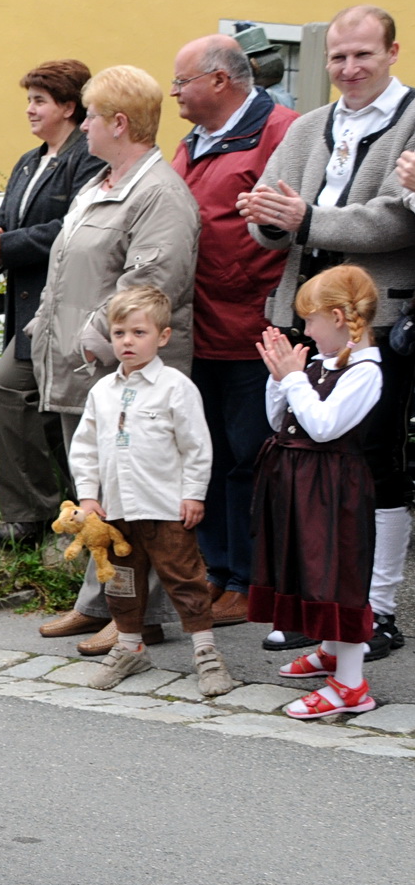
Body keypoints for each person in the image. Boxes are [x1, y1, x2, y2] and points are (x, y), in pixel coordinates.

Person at [242, 5, 415, 663]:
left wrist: (306, 217)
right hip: (302, 311)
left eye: (362, 55)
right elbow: (271, 211)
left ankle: (377, 609)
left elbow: (397, 221)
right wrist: (265, 217)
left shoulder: (409, 118)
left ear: (392, 52)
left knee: (372, 464)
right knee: (296, 456)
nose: (347, 69)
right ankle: (310, 603)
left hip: (375, 321)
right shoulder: (312, 123)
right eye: (337, 57)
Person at [30, 65, 199, 655]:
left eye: (92, 117)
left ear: (118, 123)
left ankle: (140, 618)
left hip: (129, 370)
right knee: (99, 492)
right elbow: (68, 268)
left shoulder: (160, 194)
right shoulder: (99, 183)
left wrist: (95, 335)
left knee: (137, 502)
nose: (85, 129)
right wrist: (46, 328)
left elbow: (152, 282)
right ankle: (98, 603)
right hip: (90, 369)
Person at [169, 35, 298, 630]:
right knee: (211, 455)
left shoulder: (281, 131)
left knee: (250, 456)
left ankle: (252, 580)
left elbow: (290, 223)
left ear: (220, 81)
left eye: (182, 81)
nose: (175, 92)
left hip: (252, 324)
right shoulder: (191, 143)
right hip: (200, 327)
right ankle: (219, 572)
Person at [66, 286, 235, 696]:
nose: (127, 341)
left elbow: (196, 445)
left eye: (139, 333)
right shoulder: (102, 392)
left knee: (184, 578)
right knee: (121, 583)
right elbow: (85, 446)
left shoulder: (175, 387)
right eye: (120, 332)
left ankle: (206, 651)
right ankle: (129, 646)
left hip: (164, 507)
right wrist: (88, 496)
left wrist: (194, 494)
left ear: (162, 336)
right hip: (117, 514)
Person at [0, 61, 106, 546]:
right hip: (26, 307)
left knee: (36, 400)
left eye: (39, 100)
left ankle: (50, 512)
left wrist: (11, 246)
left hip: (67, 305)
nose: (30, 109)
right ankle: (42, 513)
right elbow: (10, 223)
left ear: (69, 107)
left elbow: (72, 226)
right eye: (29, 99)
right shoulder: (29, 161)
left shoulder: (87, 157)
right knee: (27, 400)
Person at [250, 266, 383, 719]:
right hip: (299, 483)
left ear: (339, 318)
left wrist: (293, 380)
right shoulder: (322, 362)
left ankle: (350, 685)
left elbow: (325, 428)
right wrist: (278, 377)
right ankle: (330, 650)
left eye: (310, 320)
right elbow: (280, 422)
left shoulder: (366, 370)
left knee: (336, 575)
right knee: (309, 570)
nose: (305, 330)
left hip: (332, 490)